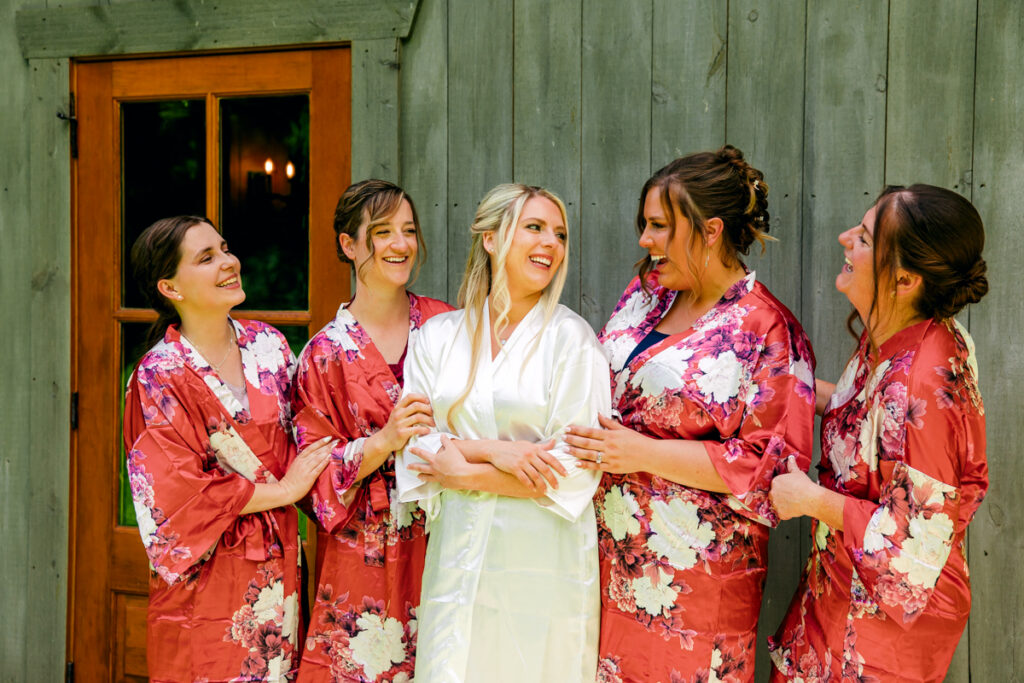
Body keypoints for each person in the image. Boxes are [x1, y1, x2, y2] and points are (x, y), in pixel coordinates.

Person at [564, 146, 817, 682]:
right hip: (606, 561)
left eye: (658, 225)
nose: (645, 241)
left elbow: (768, 468)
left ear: (709, 230)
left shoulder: (767, 329)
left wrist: (642, 453)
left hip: (693, 582)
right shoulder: (647, 295)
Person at [767, 185, 989, 682]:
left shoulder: (923, 384)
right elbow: (867, 422)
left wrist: (808, 498)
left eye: (864, 238)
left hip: (881, 632)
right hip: (841, 594)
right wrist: (783, 387)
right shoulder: (900, 331)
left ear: (905, 279)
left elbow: (914, 540)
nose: (846, 239)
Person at [394, 183, 612, 682]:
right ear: (490, 239)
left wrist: (461, 469)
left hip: (542, 561)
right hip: (458, 555)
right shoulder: (438, 337)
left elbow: (575, 465)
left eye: (559, 234)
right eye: (534, 228)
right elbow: (416, 442)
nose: (551, 244)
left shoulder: (571, 340)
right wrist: (500, 453)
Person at [123, 216, 335, 682]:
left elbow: (313, 432)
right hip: (206, 586)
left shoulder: (270, 347)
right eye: (206, 258)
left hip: (281, 571)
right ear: (170, 287)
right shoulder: (158, 374)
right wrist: (286, 490)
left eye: (224, 248)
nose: (228, 262)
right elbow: (174, 499)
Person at [291, 180, 452, 682]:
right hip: (364, 552)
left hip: (447, 534)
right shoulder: (323, 354)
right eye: (383, 232)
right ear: (349, 244)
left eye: (408, 230)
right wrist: (383, 442)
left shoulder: (446, 325)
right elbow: (312, 481)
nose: (401, 244)